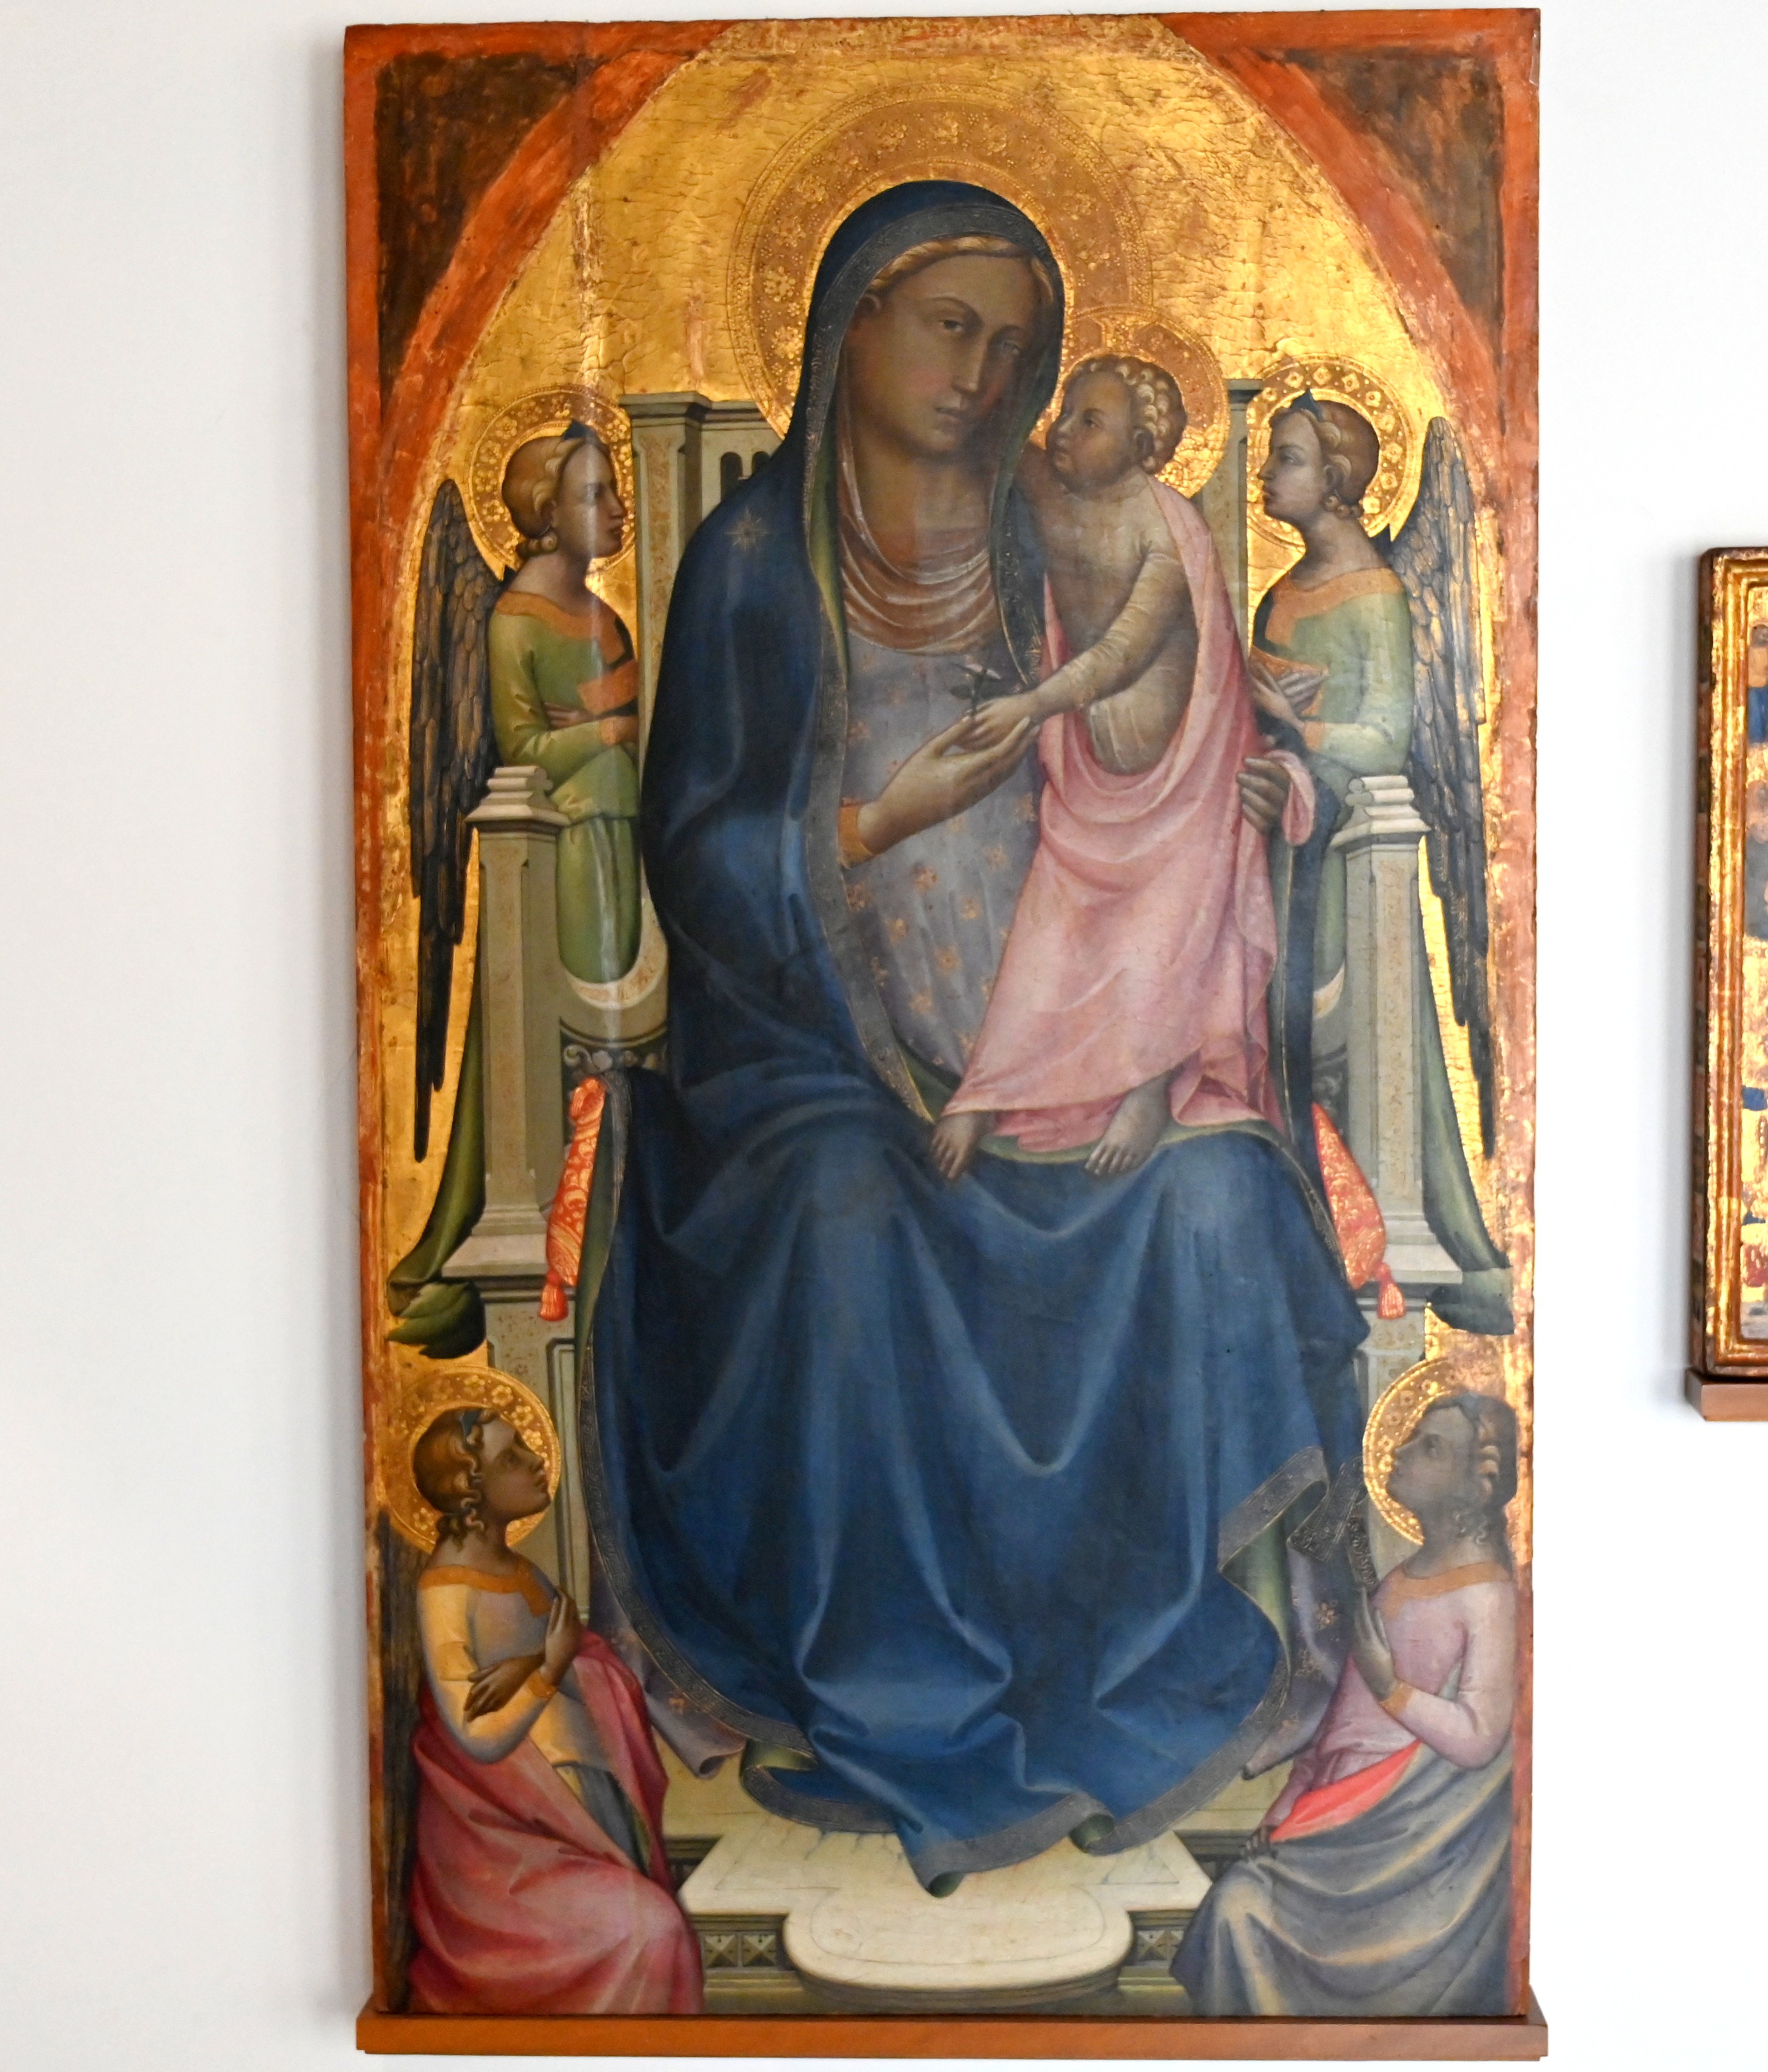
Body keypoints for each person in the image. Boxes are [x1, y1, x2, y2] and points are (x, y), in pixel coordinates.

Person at [597, 184, 1365, 1888]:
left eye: (1014, 347)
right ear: (850, 323)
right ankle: (908, 1688)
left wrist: (1249, 798)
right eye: (948, 327)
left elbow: (1178, 716)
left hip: (1083, 1039)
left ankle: (1155, 1661)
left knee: (1214, 1198)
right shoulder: (758, 560)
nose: (982, 372)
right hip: (807, 1057)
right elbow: (694, 844)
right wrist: (867, 824)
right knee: (846, 1215)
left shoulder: (1061, 530)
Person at [935, 354, 1299, 1180]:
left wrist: (1032, 706)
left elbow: (1122, 653)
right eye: (1063, 411)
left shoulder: (1166, 528)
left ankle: (1151, 1083)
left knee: (1159, 944)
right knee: (1048, 935)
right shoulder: (1056, 497)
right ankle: (986, 1092)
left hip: (1186, 790)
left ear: (1141, 447)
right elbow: (998, 443)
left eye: (1088, 421)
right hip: (1090, 779)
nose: (1062, 430)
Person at [1254, 389, 1519, 1334]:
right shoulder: (1280, 594)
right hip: (1276, 842)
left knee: (1335, 1050)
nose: (1266, 475)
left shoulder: (1376, 595)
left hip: (1342, 861)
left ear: (1334, 480)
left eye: (1286, 458)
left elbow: (1388, 736)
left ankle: (1363, 1240)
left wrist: (1296, 725)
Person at [1175, 1393, 1519, 2017]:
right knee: (1233, 1905)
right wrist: (1287, 1803)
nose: (1401, 1451)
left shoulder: (1488, 1595)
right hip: (1333, 1819)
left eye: (1430, 1446)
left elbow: (1478, 1738)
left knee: (1238, 1911)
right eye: (1410, 1436)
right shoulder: (1400, 1579)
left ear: (1473, 1485)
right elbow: (1341, 1722)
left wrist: (1392, 1688)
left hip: (1396, 1846)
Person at [404, 1408, 700, 2014]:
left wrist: (534, 1662)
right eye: (511, 1457)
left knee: (655, 1925)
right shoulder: (446, 1589)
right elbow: (477, 1736)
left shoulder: (519, 1571)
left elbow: (581, 1655)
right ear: (471, 1487)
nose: (537, 1461)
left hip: (572, 1818)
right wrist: (544, 1670)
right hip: (500, 1853)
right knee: (651, 1928)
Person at [490, 426, 645, 983]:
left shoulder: (605, 616)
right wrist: (613, 731)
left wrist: (619, 722)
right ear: (549, 511)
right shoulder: (516, 623)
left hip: (628, 828)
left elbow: (639, 701)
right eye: (594, 495)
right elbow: (523, 753)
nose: (618, 509)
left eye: (614, 490)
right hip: (573, 844)